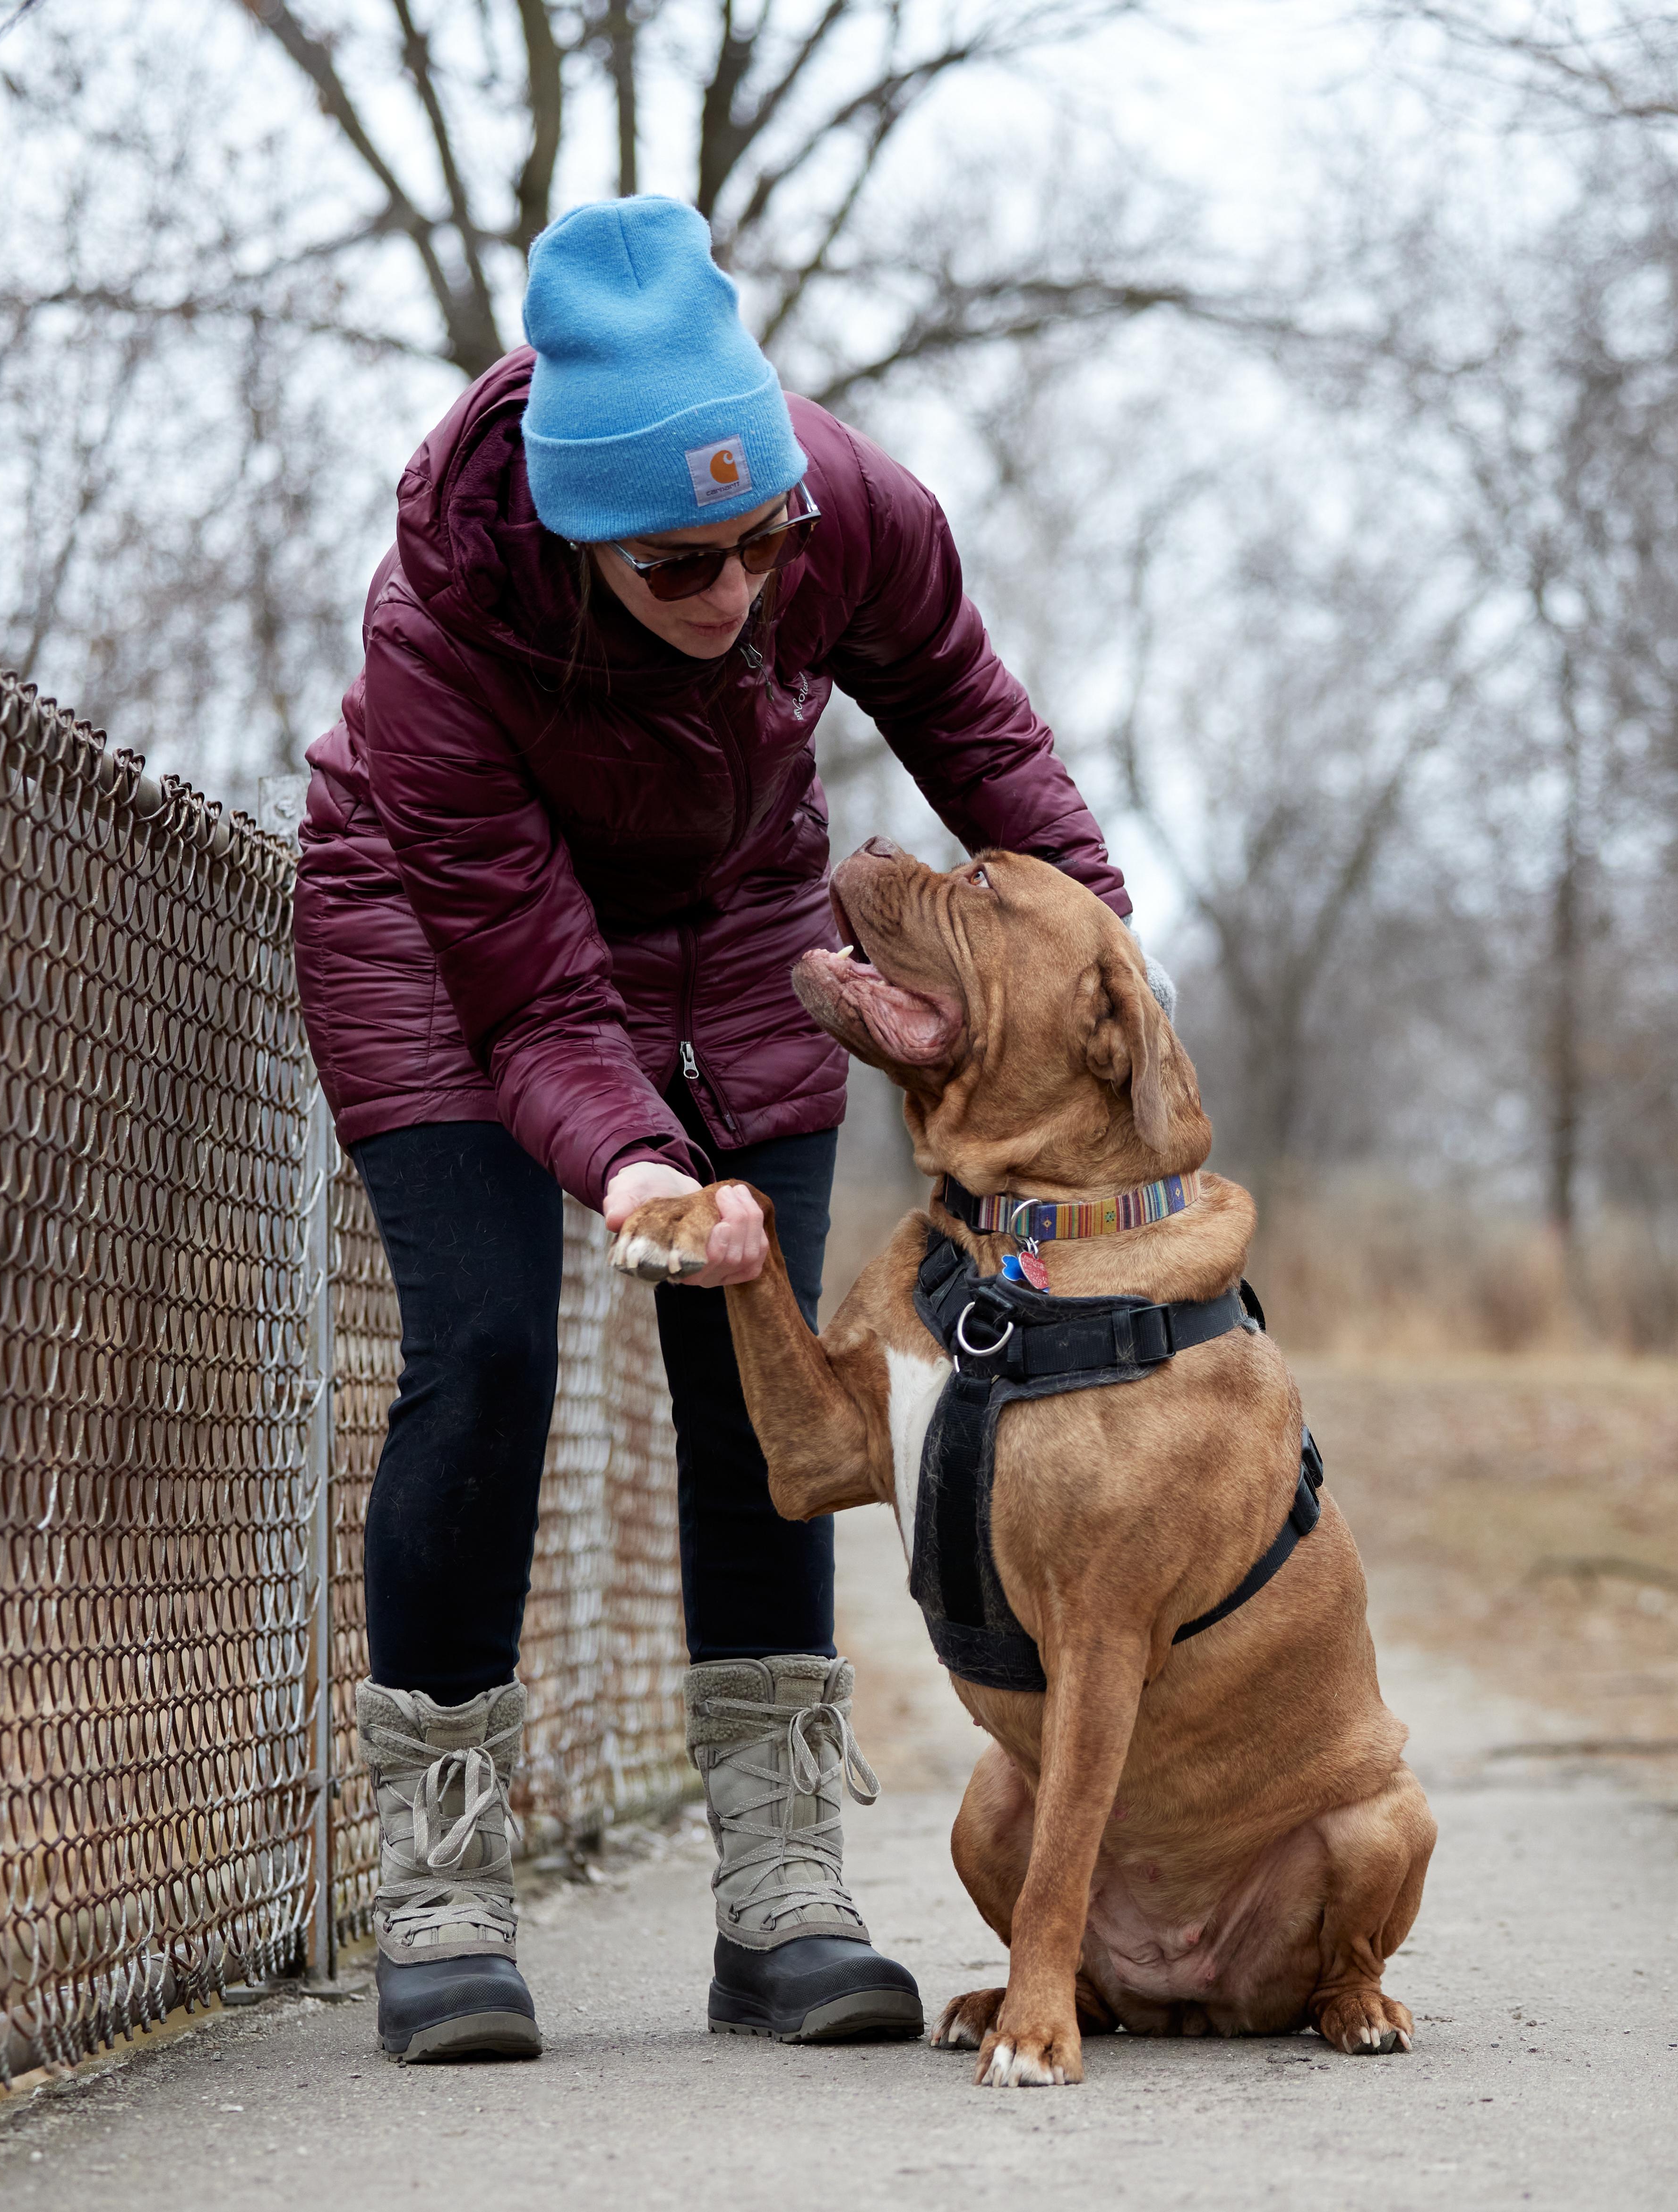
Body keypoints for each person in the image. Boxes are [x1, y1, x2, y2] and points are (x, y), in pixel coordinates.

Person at [290, 195, 1153, 2064]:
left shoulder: (859, 515)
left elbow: (991, 753)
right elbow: (530, 1000)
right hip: (444, 947)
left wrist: (1098, 980)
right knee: (493, 1353)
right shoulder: (443, 620)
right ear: (586, 532)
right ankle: (442, 1885)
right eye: (683, 566)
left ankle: (779, 1894)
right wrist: (636, 1166)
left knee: (767, 1382)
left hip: (734, 920)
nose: (736, 595)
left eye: (762, 545)